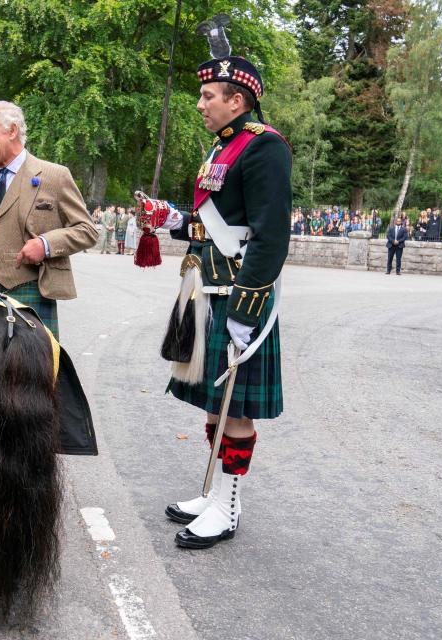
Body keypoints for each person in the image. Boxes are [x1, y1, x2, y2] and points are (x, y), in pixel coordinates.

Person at [150, 45, 292, 549]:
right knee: (215, 403)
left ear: (237, 99)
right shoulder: (220, 148)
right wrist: (172, 219)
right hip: (206, 289)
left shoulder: (263, 147)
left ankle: (228, 507)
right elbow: (215, 227)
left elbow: (270, 237)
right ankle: (213, 490)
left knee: (235, 409)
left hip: (238, 297)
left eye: (208, 95)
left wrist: (246, 314)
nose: (200, 103)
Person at [0, 100, 97, 338]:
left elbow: (87, 230)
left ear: (12, 130)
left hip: (31, 296)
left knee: (34, 373)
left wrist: (46, 245)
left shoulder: (54, 176)